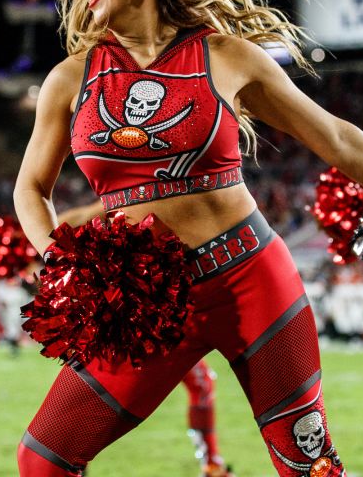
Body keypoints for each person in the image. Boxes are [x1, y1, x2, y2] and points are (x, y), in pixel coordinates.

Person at [13, 0, 363, 476]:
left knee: (311, 468)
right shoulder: (69, 79)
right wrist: (61, 258)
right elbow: (30, 188)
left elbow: (332, 136)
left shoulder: (227, 56)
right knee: (43, 460)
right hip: (144, 303)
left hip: (252, 279)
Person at [57, 202, 237, 477]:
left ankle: (212, 465)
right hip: (116, 324)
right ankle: (70, 465)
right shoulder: (118, 204)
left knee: (201, 382)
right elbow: (66, 226)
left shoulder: (171, 196)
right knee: (89, 402)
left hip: (160, 320)